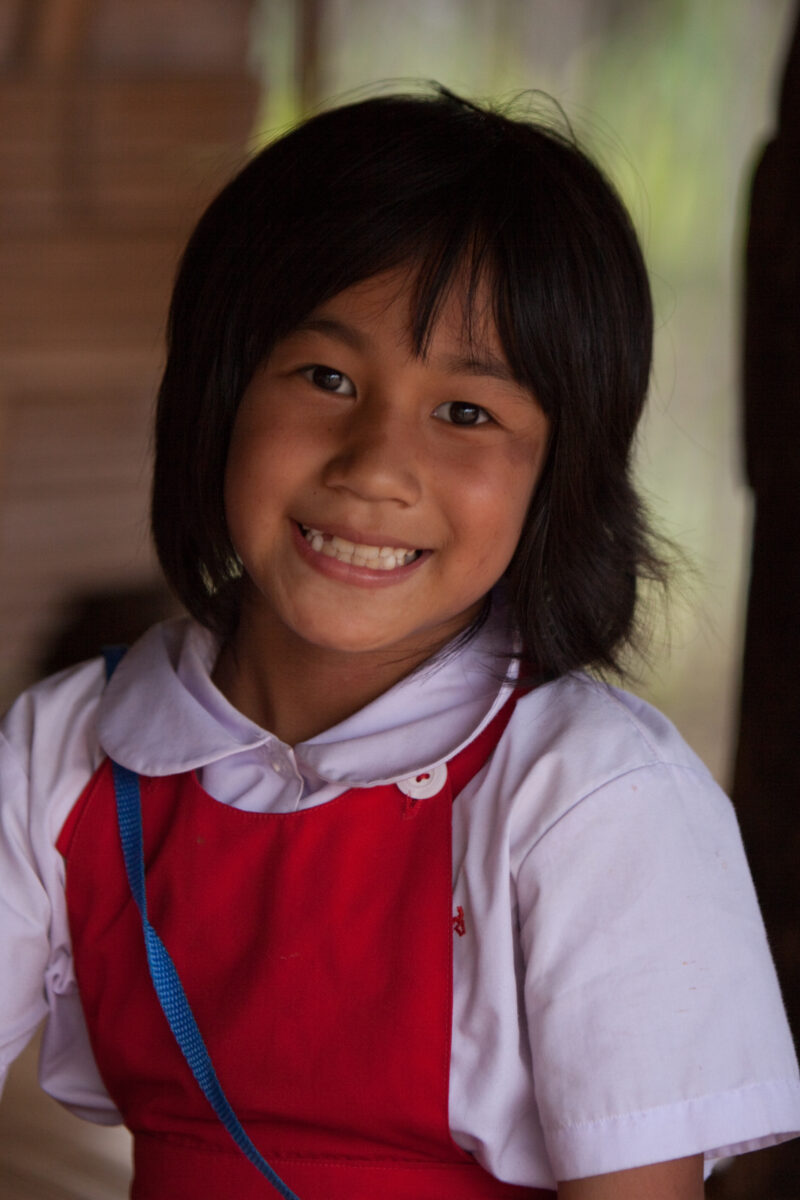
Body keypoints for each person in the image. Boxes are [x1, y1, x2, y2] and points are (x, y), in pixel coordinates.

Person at [1, 88, 798, 1200]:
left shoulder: (594, 798)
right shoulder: (62, 753)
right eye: (326, 378)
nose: (375, 465)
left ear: (558, 475)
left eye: (466, 413)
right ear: (220, 391)